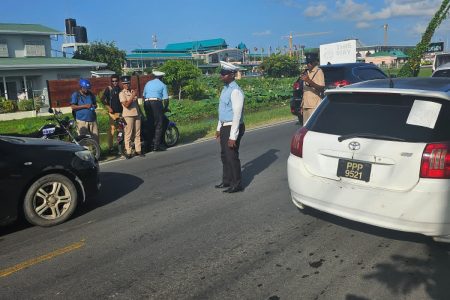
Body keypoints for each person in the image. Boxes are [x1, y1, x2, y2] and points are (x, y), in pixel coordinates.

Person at [215, 61, 245, 193]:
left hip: (233, 126)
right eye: (221, 74)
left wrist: (233, 136)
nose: (222, 76)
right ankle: (227, 180)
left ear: (232, 75)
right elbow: (222, 110)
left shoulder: (235, 91)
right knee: (224, 155)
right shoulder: (225, 89)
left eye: (224, 74)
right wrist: (218, 127)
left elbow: (237, 115)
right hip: (224, 125)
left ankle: (236, 183)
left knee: (231, 155)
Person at [143, 70, 169, 151]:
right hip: (156, 103)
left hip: (146, 102)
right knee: (159, 124)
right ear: (161, 77)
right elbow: (166, 100)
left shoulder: (148, 83)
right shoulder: (163, 85)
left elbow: (144, 96)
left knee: (150, 123)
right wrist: (165, 108)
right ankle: (157, 146)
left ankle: (148, 145)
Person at [119, 75, 144, 159]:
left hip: (136, 114)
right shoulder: (122, 93)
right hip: (128, 115)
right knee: (128, 134)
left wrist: (141, 113)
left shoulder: (132, 91)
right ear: (122, 84)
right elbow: (126, 105)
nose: (127, 85)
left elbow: (136, 104)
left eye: (128, 83)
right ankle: (128, 151)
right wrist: (133, 96)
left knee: (137, 133)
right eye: (125, 83)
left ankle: (138, 150)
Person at [70, 78, 99, 144]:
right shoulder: (76, 95)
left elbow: (95, 104)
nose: (86, 90)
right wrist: (85, 106)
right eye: (85, 88)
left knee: (95, 138)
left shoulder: (91, 94)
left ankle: (96, 152)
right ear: (81, 87)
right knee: (83, 139)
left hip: (92, 119)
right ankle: (85, 153)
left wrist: (94, 106)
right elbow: (73, 107)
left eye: (88, 88)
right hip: (82, 120)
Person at [300, 53, 325, 125]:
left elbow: (321, 88)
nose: (308, 64)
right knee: (305, 128)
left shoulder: (319, 72)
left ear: (315, 62)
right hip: (306, 106)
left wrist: (309, 81)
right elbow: (305, 91)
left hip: (314, 106)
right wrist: (302, 105)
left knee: (313, 127)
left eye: (310, 62)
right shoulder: (307, 72)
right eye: (307, 62)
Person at [101, 74, 123, 153]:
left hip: (121, 113)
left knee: (120, 130)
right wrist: (108, 107)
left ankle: (120, 147)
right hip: (112, 113)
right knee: (112, 130)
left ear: (118, 81)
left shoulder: (120, 89)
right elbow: (102, 99)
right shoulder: (109, 89)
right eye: (113, 81)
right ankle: (110, 148)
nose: (114, 82)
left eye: (116, 81)